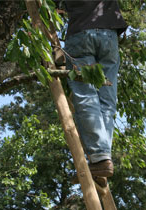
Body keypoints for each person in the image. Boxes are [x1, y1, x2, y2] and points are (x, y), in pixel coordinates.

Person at [54, 0, 128, 179]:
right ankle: (102, 157)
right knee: (107, 99)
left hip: (80, 34)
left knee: (86, 94)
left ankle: (99, 158)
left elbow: (51, 10)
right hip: (109, 35)